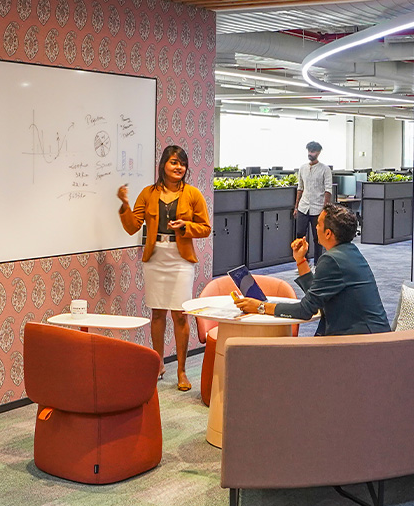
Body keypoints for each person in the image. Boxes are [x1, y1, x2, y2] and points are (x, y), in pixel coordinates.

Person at [117, 145, 211, 390]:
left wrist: (185, 227)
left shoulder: (192, 194)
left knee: (180, 314)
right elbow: (132, 226)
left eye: (182, 163)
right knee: (158, 314)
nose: (179, 167)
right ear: (163, 165)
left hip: (180, 259)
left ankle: (181, 371)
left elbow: (205, 228)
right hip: (156, 257)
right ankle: (158, 364)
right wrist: (125, 205)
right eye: (174, 162)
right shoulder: (148, 193)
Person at [233, 203, 390, 335]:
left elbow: (305, 310)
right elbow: (316, 297)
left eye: (319, 224)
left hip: (361, 343)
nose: (315, 226)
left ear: (328, 233)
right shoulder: (350, 252)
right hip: (371, 338)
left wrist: (261, 307)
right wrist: (301, 260)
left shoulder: (331, 260)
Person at [292, 141, 333, 263]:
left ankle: (317, 263)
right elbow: (300, 188)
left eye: (313, 151)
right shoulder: (303, 168)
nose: (310, 153)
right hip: (303, 206)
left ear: (318, 153)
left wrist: (325, 209)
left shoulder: (325, 169)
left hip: (318, 207)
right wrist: (296, 207)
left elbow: (328, 190)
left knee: (317, 237)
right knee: (300, 235)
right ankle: (302, 261)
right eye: (309, 151)